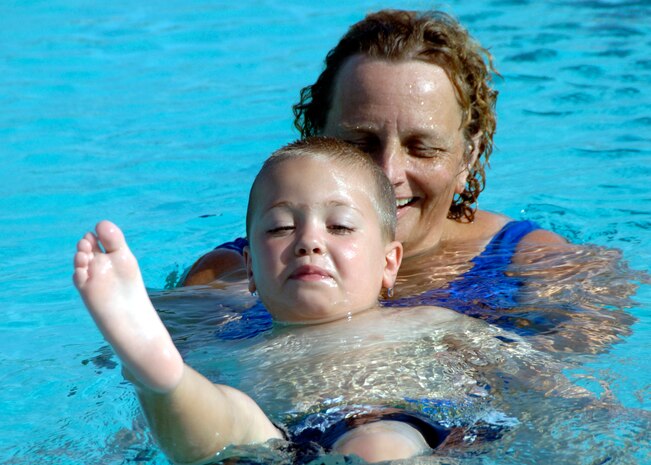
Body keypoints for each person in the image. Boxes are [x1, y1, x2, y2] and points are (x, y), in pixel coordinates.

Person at [75, 138, 571, 464]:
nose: (309, 241)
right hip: (276, 441)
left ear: (388, 264)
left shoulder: (430, 321)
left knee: (379, 446)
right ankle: (158, 375)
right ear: (248, 268)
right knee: (230, 417)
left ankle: (160, 379)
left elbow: (531, 377)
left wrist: (591, 413)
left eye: (340, 226)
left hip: (406, 427)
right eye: (281, 227)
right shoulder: (232, 352)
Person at [180, 9, 636, 353]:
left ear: (467, 155)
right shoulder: (236, 276)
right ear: (315, 138)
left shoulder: (541, 270)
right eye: (359, 143)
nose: (387, 173)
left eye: (423, 148)